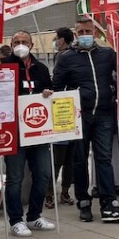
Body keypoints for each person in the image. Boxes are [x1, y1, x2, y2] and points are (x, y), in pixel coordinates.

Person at [49, 16, 119, 223]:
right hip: (80, 116)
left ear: (95, 33)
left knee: (104, 159)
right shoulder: (66, 57)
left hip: (104, 113)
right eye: (81, 32)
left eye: (89, 32)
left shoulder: (107, 54)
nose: (85, 36)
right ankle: (83, 202)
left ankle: (109, 203)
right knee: (79, 160)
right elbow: (57, 86)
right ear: (76, 34)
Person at [1, 31, 56, 236]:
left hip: (38, 131)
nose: (20, 45)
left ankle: (34, 216)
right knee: (15, 177)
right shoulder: (4, 67)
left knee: (42, 174)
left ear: (31, 45)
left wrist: (49, 94)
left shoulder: (41, 68)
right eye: (16, 42)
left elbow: (50, 91)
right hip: (14, 132)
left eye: (24, 42)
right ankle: (16, 220)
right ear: (11, 44)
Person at [48, 27, 77, 207]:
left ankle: (62, 192)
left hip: (69, 111)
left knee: (68, 159)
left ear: (62, 40)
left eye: (56, 38)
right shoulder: (62, 56)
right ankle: (50, 192)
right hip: (61, 110)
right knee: (59, 158)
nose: (54, 41)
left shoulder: (67, 56)